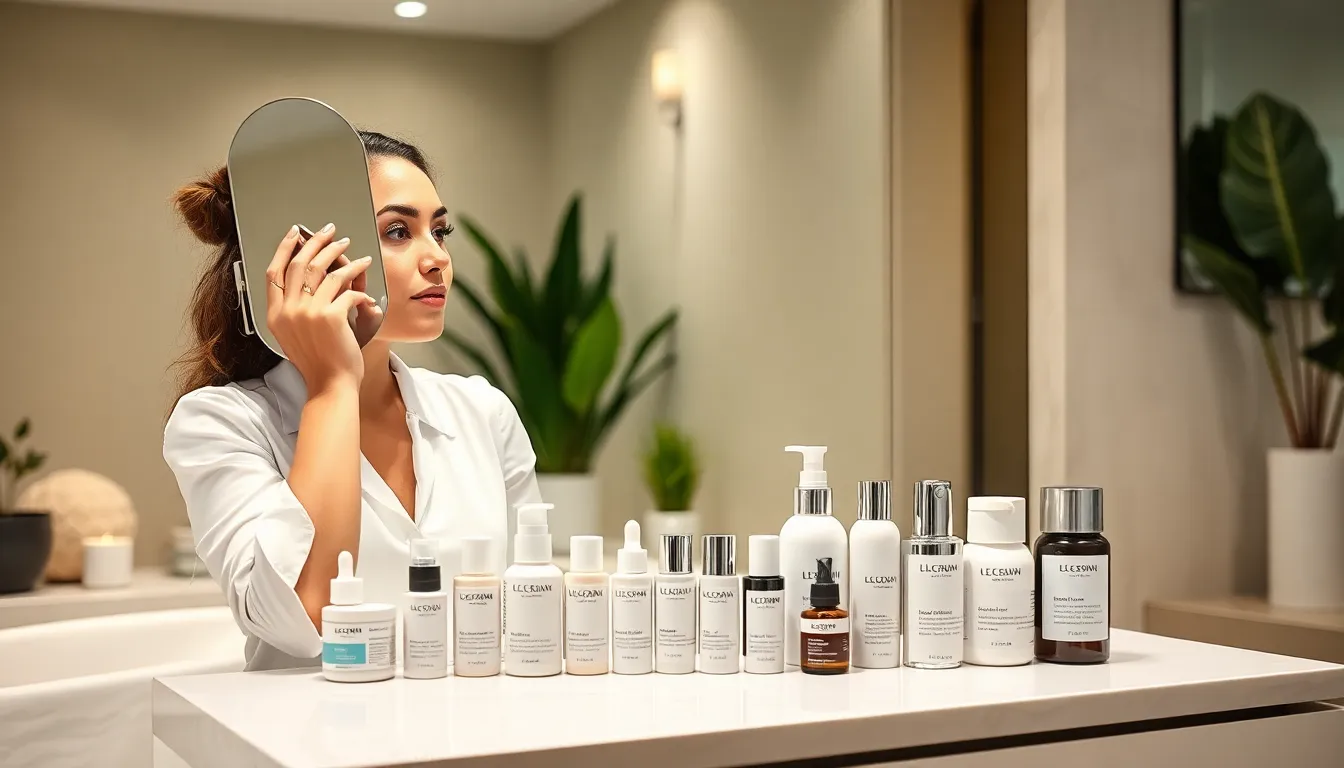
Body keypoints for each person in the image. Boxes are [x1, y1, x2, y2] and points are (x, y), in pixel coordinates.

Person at [163, 132, 539, 671]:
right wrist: (334, 383)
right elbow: (302, 619)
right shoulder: (219, 423)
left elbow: (527, 617)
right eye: (397, 231)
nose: (437, 258)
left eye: (439, 230)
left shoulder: (484, 412)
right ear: (308, 257)